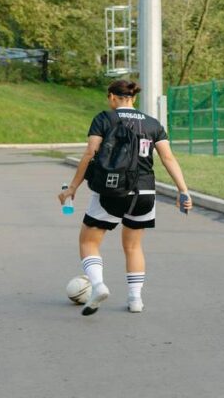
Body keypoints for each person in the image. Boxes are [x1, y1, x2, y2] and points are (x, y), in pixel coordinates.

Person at [58, 79, 192, 316]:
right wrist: (183, 190)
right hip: (145, 192)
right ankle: (135, 300)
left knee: (88, 241)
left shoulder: (104, 119)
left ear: (111, 97)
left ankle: (98, 286)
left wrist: (73, 187)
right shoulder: (152, 124)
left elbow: (90, 153)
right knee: (133, 246)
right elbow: (168, 158)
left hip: (111, 190)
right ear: (133, 98)